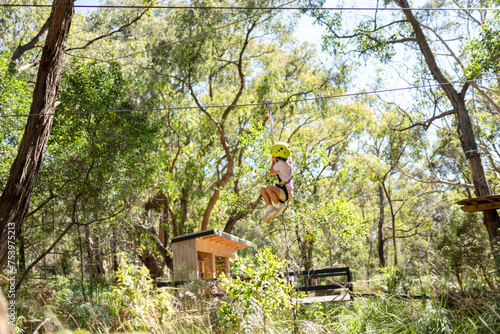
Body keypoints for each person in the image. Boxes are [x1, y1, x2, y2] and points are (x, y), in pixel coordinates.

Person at [261, 142, 294, 222]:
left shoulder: (280, 163)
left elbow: (272, 172)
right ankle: (271, 209)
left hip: (286, 192)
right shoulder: (288, 161)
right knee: (263, 189)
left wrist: (273, 161)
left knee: (269, 188)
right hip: (283, 191)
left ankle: (279, 206)